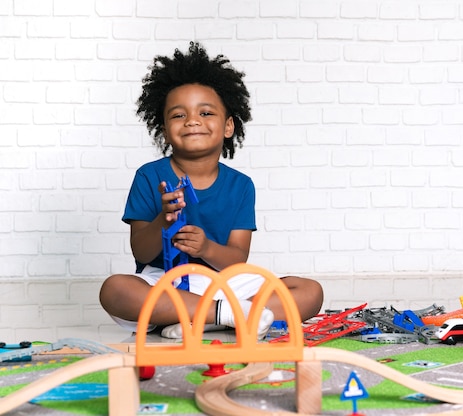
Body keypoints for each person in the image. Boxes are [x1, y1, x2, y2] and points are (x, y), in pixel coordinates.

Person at [99, 42, 324, 339]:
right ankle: (226, 315)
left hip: (224, 281)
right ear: (164, 129)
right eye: (179, 115)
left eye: (206, 113)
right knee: (114, 290)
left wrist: (206, 248)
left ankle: (200, 318)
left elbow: (236, 259)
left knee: (309, 292)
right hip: (166, 284)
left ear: (228, 126)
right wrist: (162, 222)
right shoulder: (149, 176)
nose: (193, 120)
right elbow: (141, 251)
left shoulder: (240, 185)